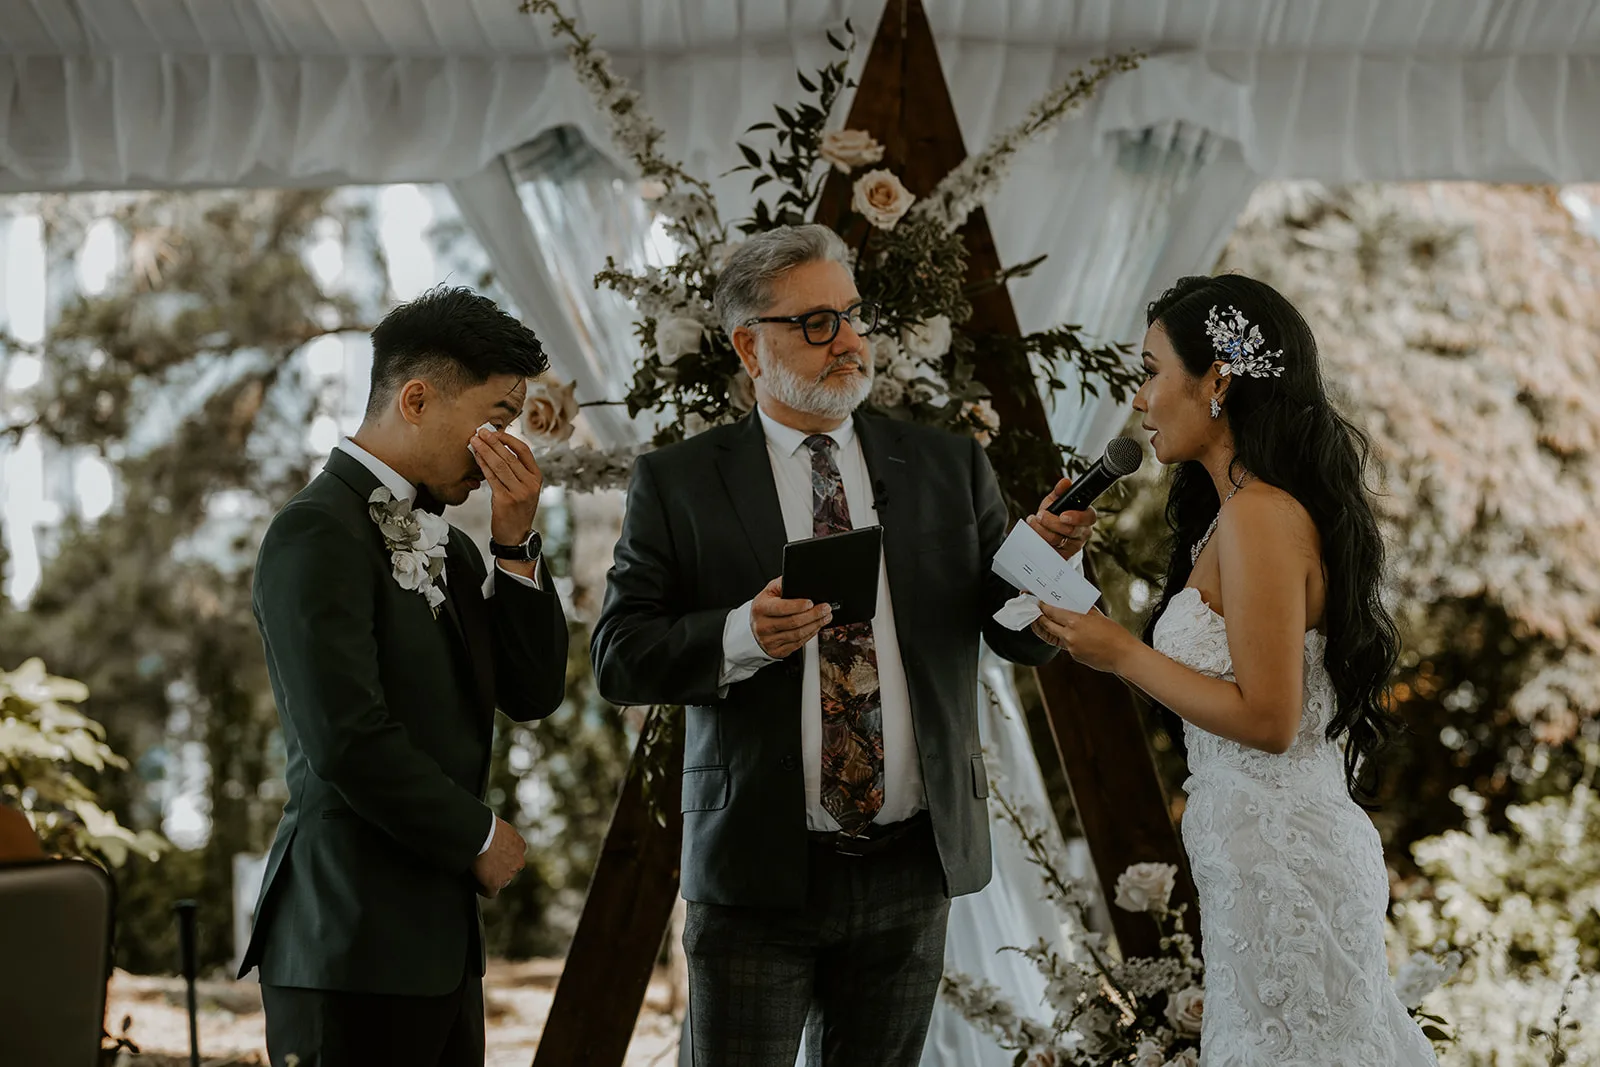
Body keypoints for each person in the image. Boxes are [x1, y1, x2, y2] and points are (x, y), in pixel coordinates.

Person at [591, 224, 1095, 1066]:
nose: (850, 341)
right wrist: (738, 633)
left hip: (909, 866)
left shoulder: (947, 466)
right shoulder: (678, 482)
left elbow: (1020, 641)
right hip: (756, 870)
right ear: (750, 347)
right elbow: (618, 654)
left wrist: (1041, 572)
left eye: (853, 316)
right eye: (817, 323)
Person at [1031, 274, 1436, 1064]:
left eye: (1150, 371)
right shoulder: (1238, 514)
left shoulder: (1260, 516)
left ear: (1216, 378)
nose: (1140, 399)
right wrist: (1070, 572)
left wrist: (1120, 654)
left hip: (1288, 868)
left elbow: (1269, 718)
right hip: (1257, 866)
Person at [240, 286, 570, 1067]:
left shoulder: (452, 546)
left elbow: (532, 693)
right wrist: (476, 834)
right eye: (495, 419)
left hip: (441, 952)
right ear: (417, 398)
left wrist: (515, 546)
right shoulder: (312, 533)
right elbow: (345, 737)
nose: (504, 449)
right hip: (347, 942)